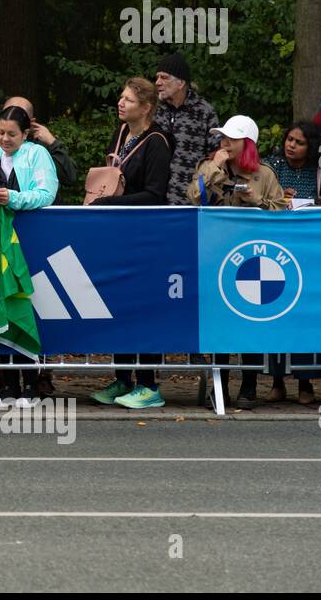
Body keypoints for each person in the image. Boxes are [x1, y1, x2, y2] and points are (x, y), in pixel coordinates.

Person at [187, 114, 286, 408]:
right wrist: (215, 168)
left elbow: (283, 213)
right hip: (216, 255)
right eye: (223, 137)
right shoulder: (210, 165)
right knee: (219, 322)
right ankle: (220, 385)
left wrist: (258, 201)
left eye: (231, 138)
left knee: (249, 321)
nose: (224, 142)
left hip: (254, 259)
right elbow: (194, 198)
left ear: (247, 143)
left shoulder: (264, 174)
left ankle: (250, 384)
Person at [85, 78, 172, 409]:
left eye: (129, 100)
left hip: (144, 235)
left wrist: (108, 204)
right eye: (121, 98)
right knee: (118, 304)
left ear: (146, 107)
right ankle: (122, 379)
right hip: (116, 233)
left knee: (142, 307)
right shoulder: (121, 134)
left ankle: (149, 384)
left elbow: (155, 194)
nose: (121, 104)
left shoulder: (158, 141)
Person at [0, 105, 60, 406]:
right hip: (1, 242)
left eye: (12, 134)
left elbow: (47, 193)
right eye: (0, 133)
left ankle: (33, 382)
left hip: (32, 240)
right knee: (4, 303)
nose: (5, 139)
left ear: (26, 134)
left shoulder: (38, 155)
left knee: (26, 304)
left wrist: (14, 198)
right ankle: (8, 382)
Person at [153, 53, 219, 205]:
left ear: (181, 83)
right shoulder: (153, 109)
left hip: (189, 199)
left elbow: (214, 156)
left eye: (164, 77)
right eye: (157, 77)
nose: (157, 82)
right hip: (153, 197)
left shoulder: (205, 111)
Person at [0, 96, 77, 191]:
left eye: (19, 116)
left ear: (31, 122)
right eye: (8, 113)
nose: (11, 118)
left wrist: (53, 143)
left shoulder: (43, 146)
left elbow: (69, 178)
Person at [265, 120, 321, 206]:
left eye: (300, 143)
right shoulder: (272, 166)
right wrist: (279, 196)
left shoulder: (320, 171)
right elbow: (258, 198)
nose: (292, 145)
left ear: (311, 147)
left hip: (310, 218)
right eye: (289, 139)